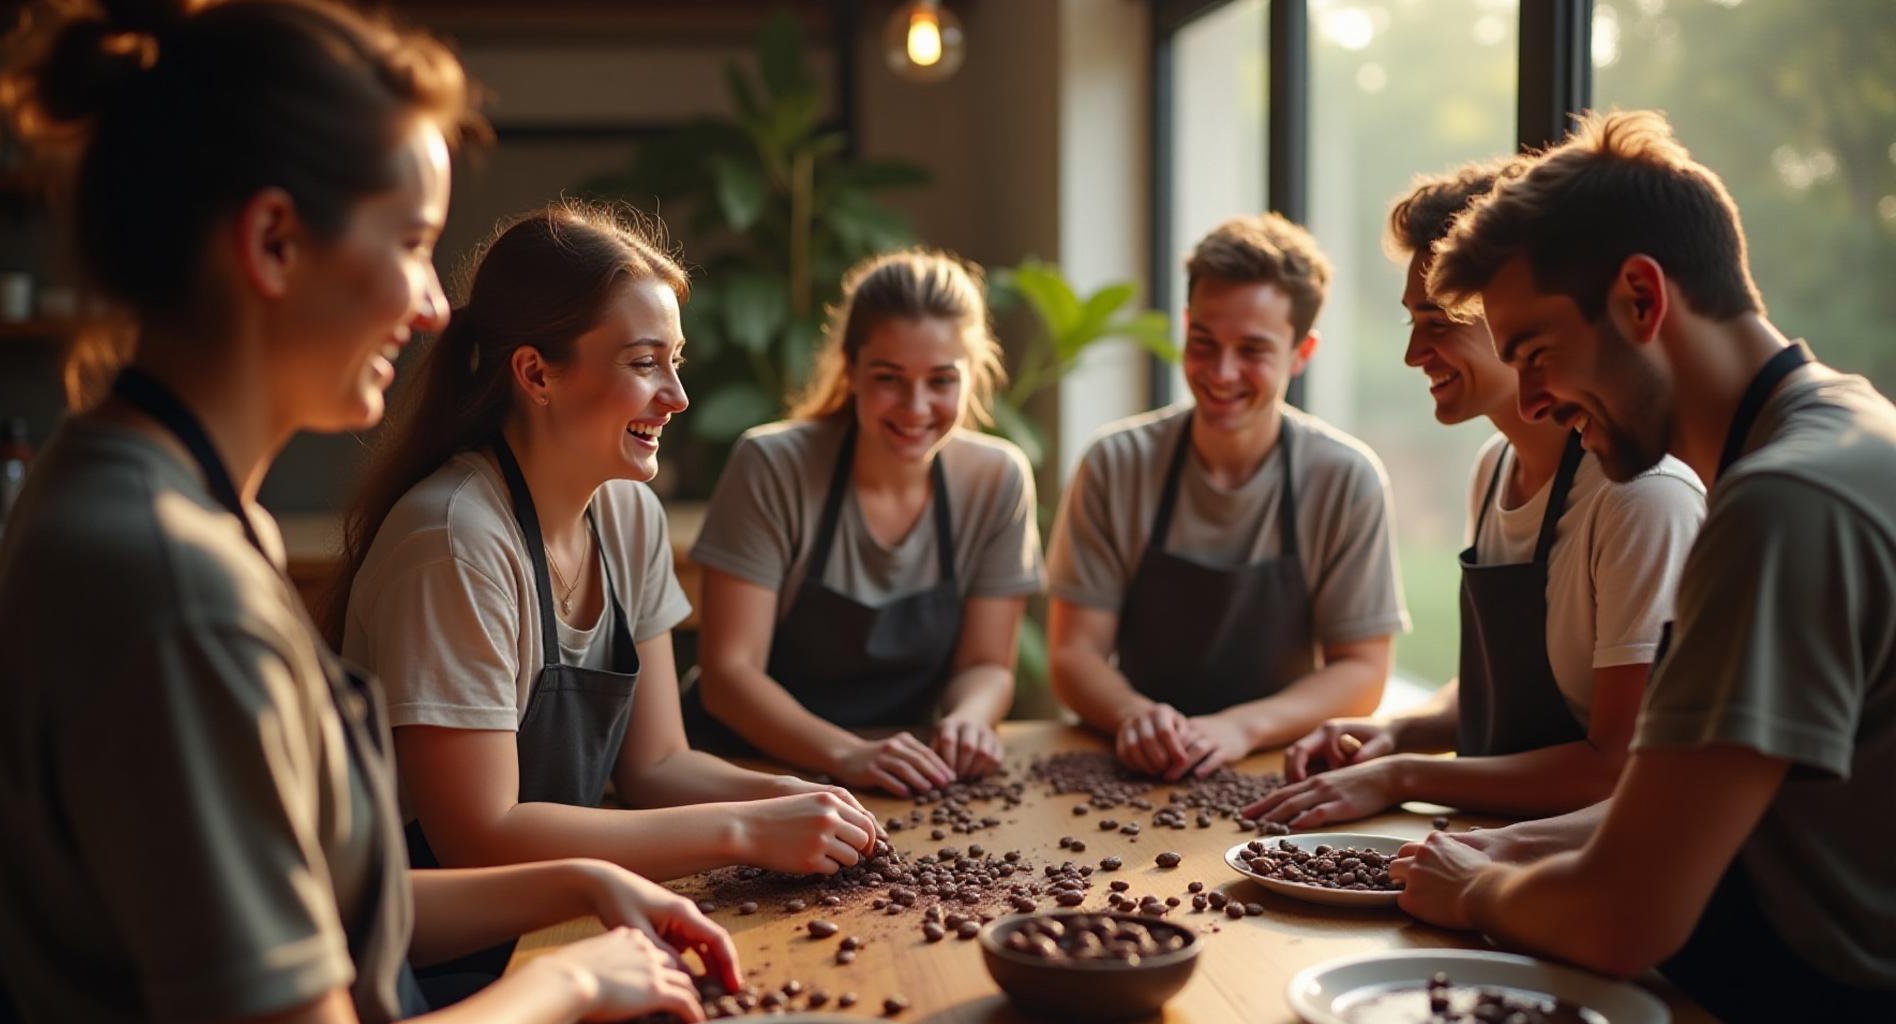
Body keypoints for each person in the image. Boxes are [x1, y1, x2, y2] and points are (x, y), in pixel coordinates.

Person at [0, 4, 737, 1024]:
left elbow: (328, 915)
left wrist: (576, 887)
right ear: (275, 243)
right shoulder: (171, 584)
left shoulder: (161, 496)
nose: (434, 307)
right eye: (415, 244)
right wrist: (569, 977)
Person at [1390, 110, 1896, 1024]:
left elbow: (1622, 917)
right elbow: (1708, 809)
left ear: (1639, 298)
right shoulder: (1848, 424)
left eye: (1535, 350)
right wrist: (1506, 849)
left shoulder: (1780, 504)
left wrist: (1476, 895)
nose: (1528, 401)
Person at [329, 205, 878, 995]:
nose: (678, 397)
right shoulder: (454, 542)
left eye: (676, 361)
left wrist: (796, 797)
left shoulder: (625, 512)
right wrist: (745, 828)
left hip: (569, 928)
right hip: (444, 971)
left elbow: (656, 764)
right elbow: (478, 836)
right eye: (646, 362)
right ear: (536, 374)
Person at [1242, 161, 1704, 829]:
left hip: (1567, 876)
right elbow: (1503, 690)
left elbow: (1615, 769)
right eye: (1412, 322)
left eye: (1437, 322)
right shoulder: (1494, 468)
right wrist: (1397, 735)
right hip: (1475, 850)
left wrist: (1402, 775)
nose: (1413, 354)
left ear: (1511, 313)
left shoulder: (1642, 498)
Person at [1048, 214, 1408, 780]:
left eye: (1253, 350)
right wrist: (1134, 717)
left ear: (1302, 352)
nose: (1222, 371)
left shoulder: (1345, 477)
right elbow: (1074, 655)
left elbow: (1363, 672)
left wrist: (1242, 727)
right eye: (1204, 342)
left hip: (1279, 768)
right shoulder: (1114, 464)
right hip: (1135, 768)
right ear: (1186, 327)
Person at [687, 250, 1043, 796]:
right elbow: (729, 678)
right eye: (889, 378)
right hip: (743, 770)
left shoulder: (998, 479)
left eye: (941, 380)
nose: (916, 406)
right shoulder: (772, 465)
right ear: (850, 369)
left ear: (973, 375)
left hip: (897, 777)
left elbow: (987, 663)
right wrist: (847, 756)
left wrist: (969, 718)